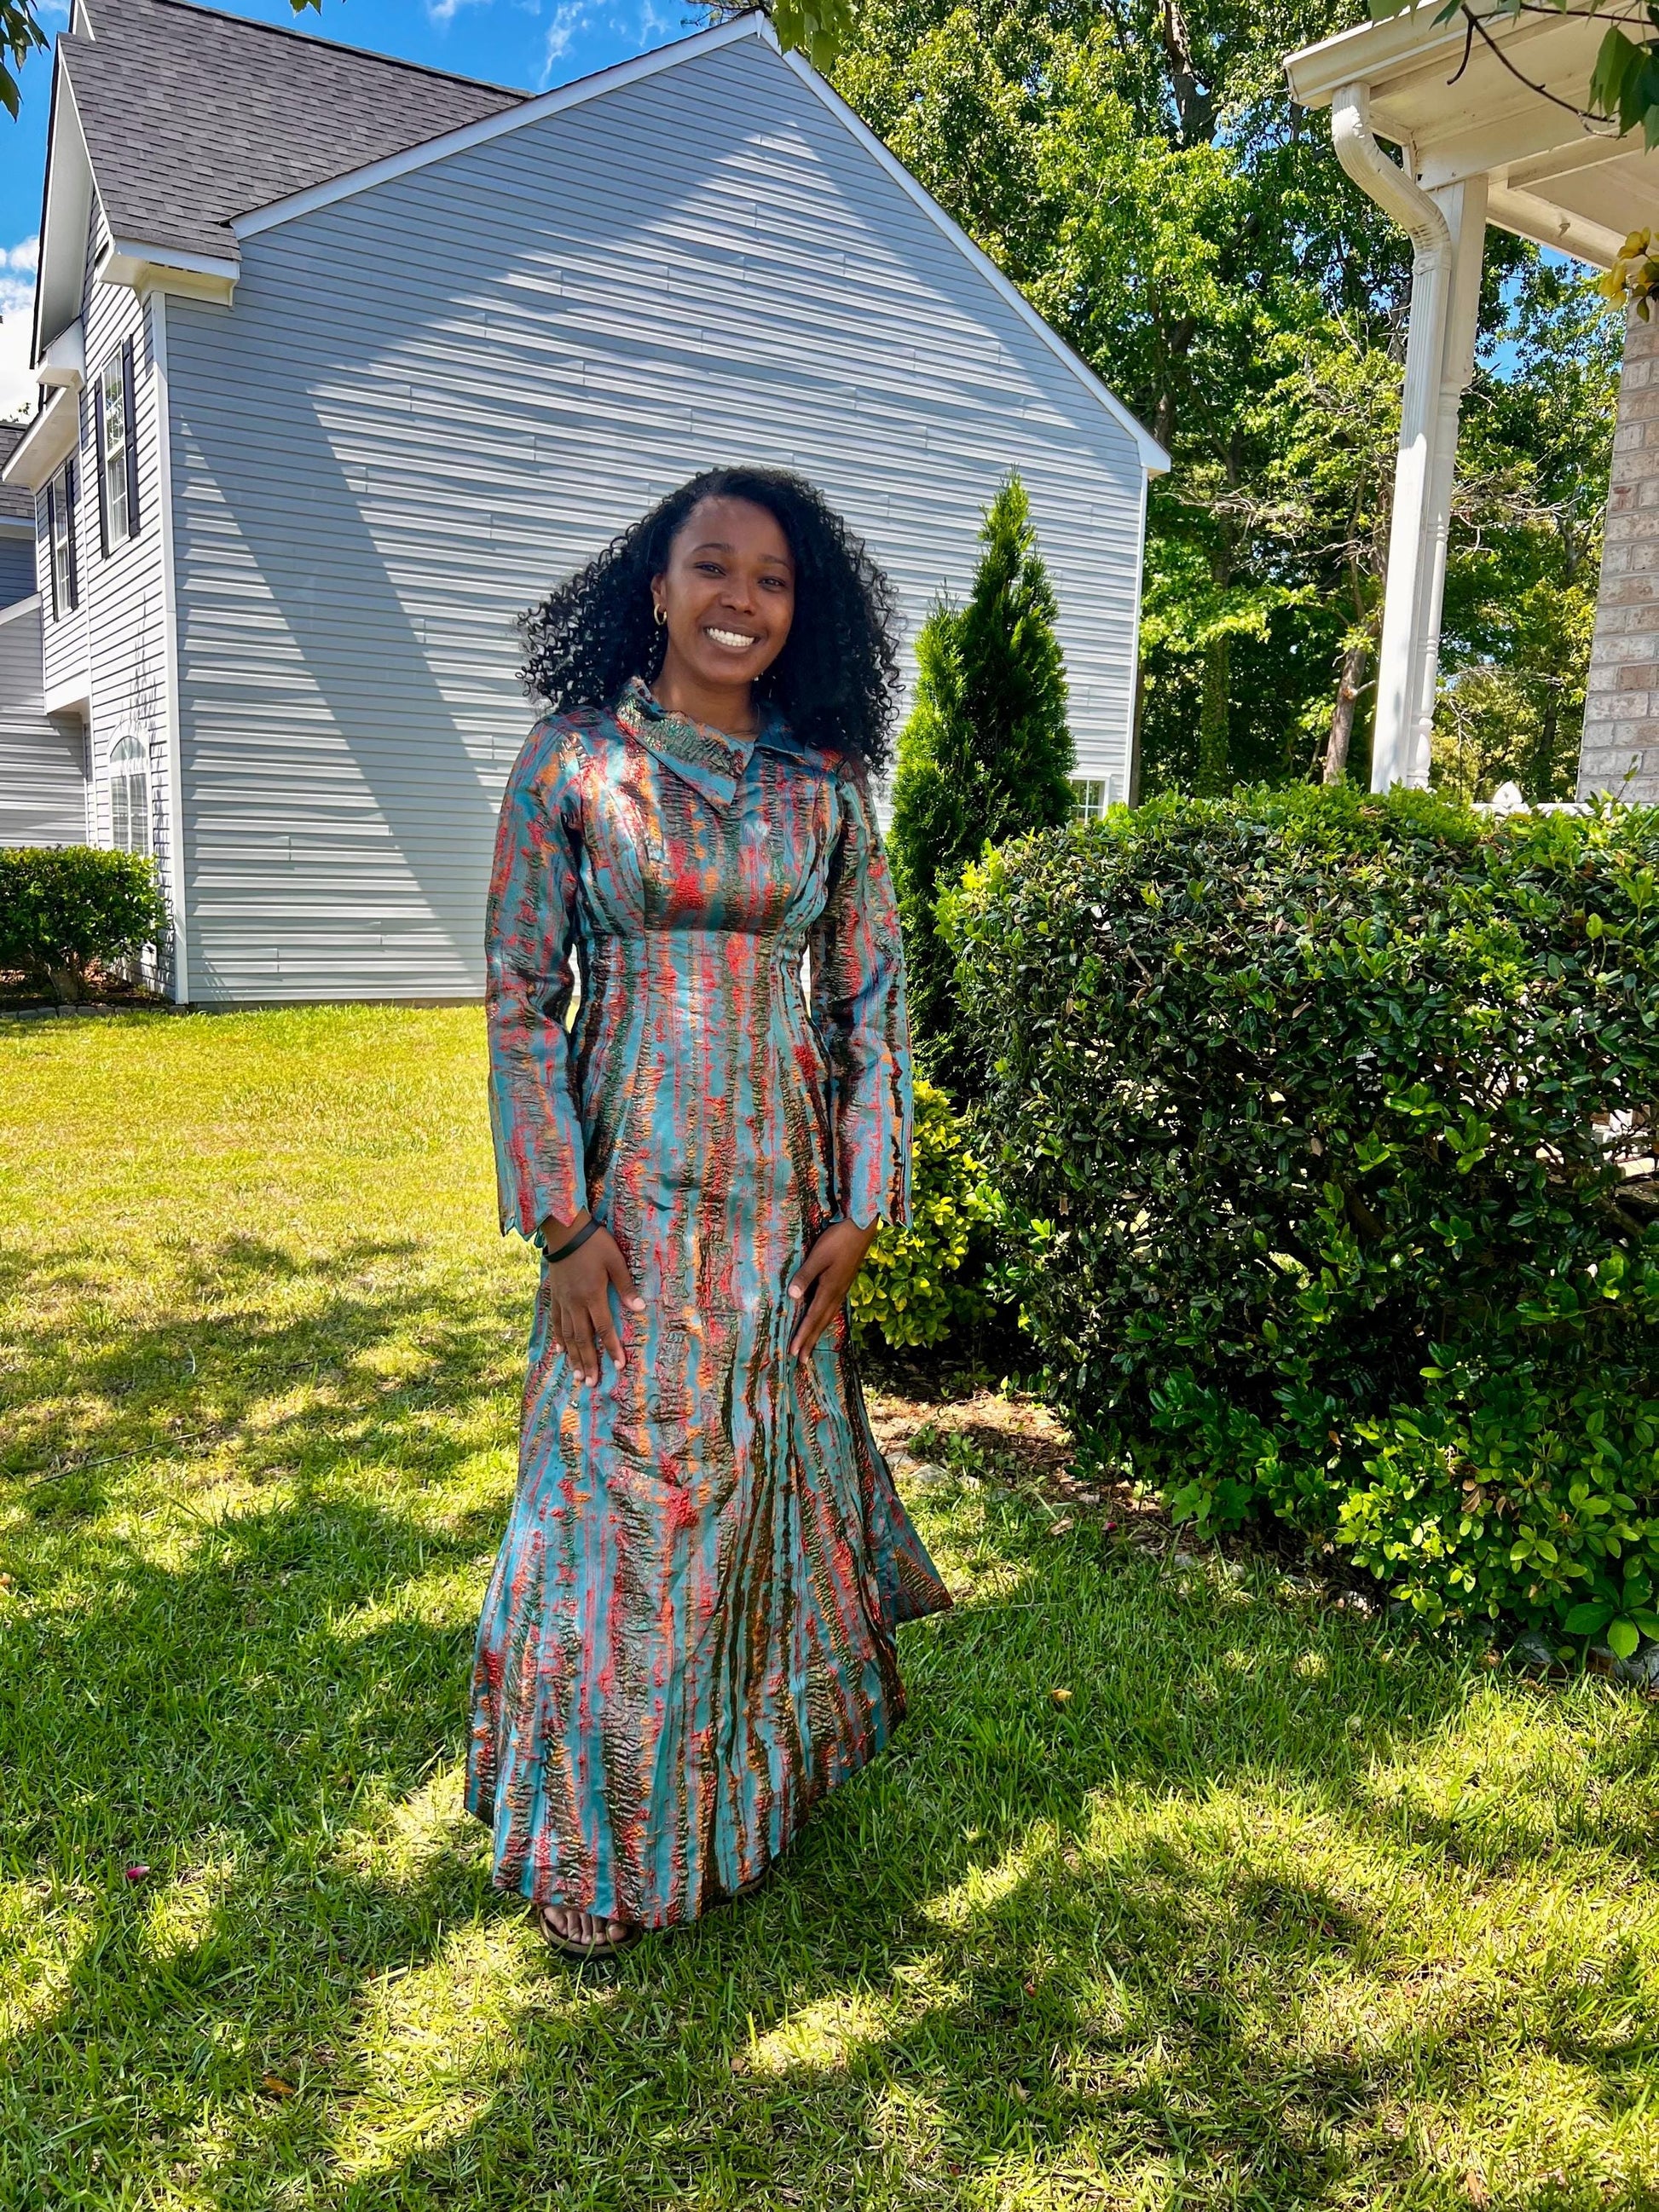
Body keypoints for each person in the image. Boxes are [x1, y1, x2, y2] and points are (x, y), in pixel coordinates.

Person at [465, 466, 952, 1959]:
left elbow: (873, 1002)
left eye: (773, 579)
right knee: (627, 1500)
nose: (742, 599)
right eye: (713, 566)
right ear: (657, 587)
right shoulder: (572, 763)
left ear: (806, 610)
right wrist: (561, 1226)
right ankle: (602, 1845)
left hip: (779, 1207)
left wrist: (862, 1204)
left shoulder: (823, 786)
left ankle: (752, 1793)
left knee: (756, 1487)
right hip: (626, 1203)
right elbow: (517, 1000)